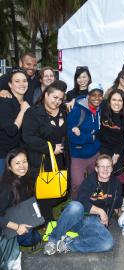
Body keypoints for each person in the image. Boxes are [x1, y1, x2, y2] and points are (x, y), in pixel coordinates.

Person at [43, 154, 122, 255]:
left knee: (107, 243)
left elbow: (117, 206)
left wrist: (123, 219)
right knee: (75, 206)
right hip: (79, 218)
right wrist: (101, 211)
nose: (105, 169)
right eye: (102, 166)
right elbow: (81, 201)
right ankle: (53, 241)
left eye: (108, 167)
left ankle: (68, 243)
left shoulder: (116, 184)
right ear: (96, 168)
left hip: (95, 223)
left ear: (112, 168)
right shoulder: (90, 180)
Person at [22, 80, 69, 224]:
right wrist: (49, 148)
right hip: (41, 159)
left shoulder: (64, 112)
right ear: (46, 95)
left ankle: (49, 217)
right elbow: (28, 137)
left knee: (59, 189)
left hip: (61, 159)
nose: (57, 101)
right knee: (44, 191)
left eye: (60, 99)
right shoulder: (34, 112)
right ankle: (46, 222)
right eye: (54, 97)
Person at [67, 83, 103, 199]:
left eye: (99, 95)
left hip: (95, 153)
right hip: (79, 154)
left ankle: (94, 202)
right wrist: (89, 138)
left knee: (97, 180)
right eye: (94, 95)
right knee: (77, 183)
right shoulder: (77, 111)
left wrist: (83, 135)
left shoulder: (100, 110)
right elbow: (72, 137)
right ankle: (76, 205)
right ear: (88, 96)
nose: (97, 98)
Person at [0, 149, 34, 270]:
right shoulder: (7, 188)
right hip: (3, 228)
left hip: (11, 219)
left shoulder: (24, 179)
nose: (22, 166)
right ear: (9, 167)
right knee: (9, 262)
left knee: (32, 236)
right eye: (17, 163)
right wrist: (17, 227)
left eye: (24, 161)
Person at [0, 69, 30, 176]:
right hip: (4, 157)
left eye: (24, 81)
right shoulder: (5, 102)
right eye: (17, 81)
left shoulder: (26, 102)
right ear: (10, 85)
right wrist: (23, 111)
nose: (22, 84)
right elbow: (11, 130)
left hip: (19, 156)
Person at [98, 89, 124, 175]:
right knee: (104, 175)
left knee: (118, 176)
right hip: (103, 150)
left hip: (119, 150)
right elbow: (90, 99)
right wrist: (75, 101)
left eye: (120, 100)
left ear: (123, 103)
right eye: (114, 100)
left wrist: (116, 154)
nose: (116, 103)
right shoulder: (102, 111)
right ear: (109, 101)